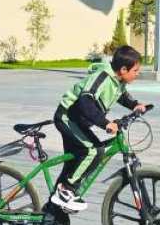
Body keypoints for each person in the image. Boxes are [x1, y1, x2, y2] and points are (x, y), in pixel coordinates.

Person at [50, 44, 146, 213]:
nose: (137, 74)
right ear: (124, 69)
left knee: (74, 162)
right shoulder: (102, 76)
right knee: (93, 151)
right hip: (67, 118)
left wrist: (135, 105)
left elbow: (121, 95)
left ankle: (52, 211)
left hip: (78, 122)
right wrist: (106, 123)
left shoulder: (117, 81)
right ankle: (65, 190)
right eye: (136, 71)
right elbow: (85, 100)